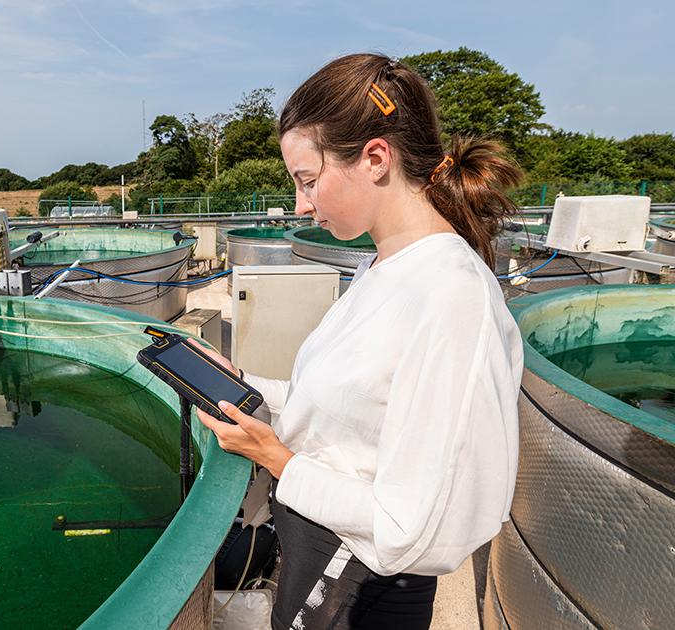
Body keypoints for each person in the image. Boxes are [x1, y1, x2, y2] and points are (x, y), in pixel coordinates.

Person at [191, 53, 524, 629]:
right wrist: (246, 388)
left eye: (308, 179)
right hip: (323, 552)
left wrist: (275, 458)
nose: (301, 205)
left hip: (359, 587)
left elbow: (413, 526)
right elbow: (345, 410)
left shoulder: (451, 297)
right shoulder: (385, 265)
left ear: (375, 158)